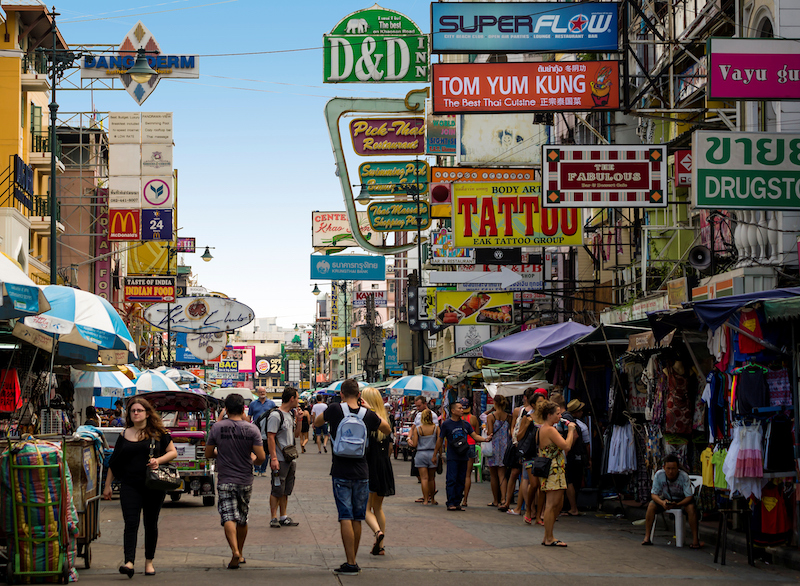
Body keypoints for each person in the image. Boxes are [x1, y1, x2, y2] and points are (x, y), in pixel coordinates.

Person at [316, 379, 390, 575]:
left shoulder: (334, 410)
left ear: (341, 393)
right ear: (359, 395)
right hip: (362, 471)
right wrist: (368, 410)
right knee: (357, 517)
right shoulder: (367, 414)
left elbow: (317, 422)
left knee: (345, 517)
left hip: (340, 471)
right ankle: (353, 561)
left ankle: (349, 562)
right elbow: (386, 429)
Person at [103, 397, 178, 577]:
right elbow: (114, 462)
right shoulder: (124, 434)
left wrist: (157, 461)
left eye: (139, 410)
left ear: (147, 413)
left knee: (150, 523)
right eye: (132, 411)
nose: (135, 413)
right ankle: (129, 562)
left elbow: (173, 452)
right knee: (131, 522)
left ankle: (149, 561)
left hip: (153, 485)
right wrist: (107, 485)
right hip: (129, 485)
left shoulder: (158, 433)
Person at [204, 394, 266, 570]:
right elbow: (261, 457)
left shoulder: (217, 428)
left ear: (226, 410)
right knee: (242, 518)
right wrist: (252, 460)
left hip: (225, 478)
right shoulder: (251, 429)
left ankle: (234, 551)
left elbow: (209, 453)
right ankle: (240, 551)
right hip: (245, 479)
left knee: (228, 516)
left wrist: (220, 455)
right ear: (243, 409)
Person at [433, 400, 490, 511]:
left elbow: (474, 436)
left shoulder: (466, 424)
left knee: (461, 479)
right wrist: (436, 454)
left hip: (464, 455)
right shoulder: (446, 424)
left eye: (462, 408)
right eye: (459, 408)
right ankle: (450, 502)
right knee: (451, 479)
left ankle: (458, 502)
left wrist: (485, 439)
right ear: (453, 411)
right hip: (452, 456)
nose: (461, 410)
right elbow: (440, 440)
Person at [536, 399, 577, 547]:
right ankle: (548, 537)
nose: (560, 416)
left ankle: (549, 535)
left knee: (557, 504)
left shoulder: (543, 428)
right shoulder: (550, 430)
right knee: (552, 504)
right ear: (549, 415)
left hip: (555, 469)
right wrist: (571, 431)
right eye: (557, 414)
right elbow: (566, 445)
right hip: (553, 469)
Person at [361, 387, 395, 556]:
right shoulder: (386, 420)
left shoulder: (366, 419)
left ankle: (377, 533)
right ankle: (380, 546)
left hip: (368, 465)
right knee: (378, 508)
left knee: (364, 508)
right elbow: (389, 447)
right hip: (383, 465)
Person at [642, 454, 702, 548]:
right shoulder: (659, 475)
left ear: (678, 468)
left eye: (673, 468)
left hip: (682, 501)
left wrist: (678, 504)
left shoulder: (684, 476)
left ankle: (695, 540)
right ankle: (647, 537)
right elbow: (654, 494)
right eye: (668, 468)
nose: (671, 471)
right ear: (664, 468)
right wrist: (662, 503)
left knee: (691, 508)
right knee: (651, 505)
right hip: (665, 500)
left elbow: (689, 497)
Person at [267, 387, 302, 528]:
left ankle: (283, 516)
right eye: (297, 398)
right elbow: (270, 437)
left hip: (290, 458)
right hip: (280, 459)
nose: (298, 401)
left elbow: (297, 435)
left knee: (286, 489)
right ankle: (273, 517)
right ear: (292, 398)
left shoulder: (290, 415)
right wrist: (274, 458)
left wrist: (299, 420)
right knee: (277, 489)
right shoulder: (276, 415)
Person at [503, 387, 537, 518]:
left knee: (521, 476)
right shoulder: (520, 411)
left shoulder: (533, 413)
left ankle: (518, 506)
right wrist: (515, 439)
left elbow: (513, 427)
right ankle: (512, 503)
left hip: (524, 447)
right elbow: (514, 427)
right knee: (519, 476)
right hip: (520, 446)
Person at [563, 399, 591, 516]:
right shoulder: (582, 426)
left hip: (571, 457)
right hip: (579, 457)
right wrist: (588, 459)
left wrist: (567, 451)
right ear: (577, 412)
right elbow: (587, 444)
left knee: (569, 481)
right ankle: (572, 507)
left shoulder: (570, 424)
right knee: (575, 482)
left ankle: (571, 507)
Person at [410, 395, 439, 502]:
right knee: (431, 478)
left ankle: (426, 499)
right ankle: (433, 499)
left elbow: (415, 443)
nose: (417, 408)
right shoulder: (436, 428)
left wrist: (410, 441)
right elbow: (439, 441)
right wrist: (437, 453)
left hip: (421, 453)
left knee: (424, 478)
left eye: (419, 406)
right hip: (432, 453)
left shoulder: (418, 429)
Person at [485, 395, 511, 509]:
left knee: (493, 475)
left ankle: (495, 500)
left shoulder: (491, 416)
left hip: (494, 447)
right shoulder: (509, 417)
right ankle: (503, 499)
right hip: (505, 447)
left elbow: (490, 432)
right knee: (502, 475)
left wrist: (485, 429)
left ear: (494, 403)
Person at [249, 387, 276, 476]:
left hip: (268, 429)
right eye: (260, 392)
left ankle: (263, 470)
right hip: (256, 429)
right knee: (254, 449)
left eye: (263, 391)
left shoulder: (271, 403)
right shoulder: (253, 404)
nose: (262, 393)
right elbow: (249, 417)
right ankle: (256, 469)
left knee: (266, 450)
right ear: (257, 393)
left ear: (266, 392)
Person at [460, 399, 480, 508]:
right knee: (468, 475)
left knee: (459, 473)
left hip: (459, 447)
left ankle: (458, 497)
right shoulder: (473, 419)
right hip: (471, 445)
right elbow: (476, 434)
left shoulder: (457, 419)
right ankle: (465, 500)